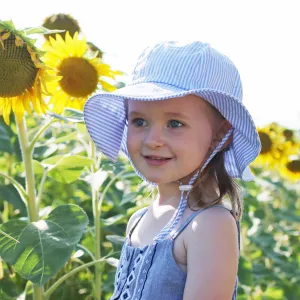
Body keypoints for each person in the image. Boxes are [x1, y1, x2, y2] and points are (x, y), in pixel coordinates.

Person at [83, 41, 261, 300]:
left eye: (175, 123)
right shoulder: (139, 219)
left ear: (219, 134)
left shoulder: (209, 224)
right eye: (139, 121)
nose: (152, 139)